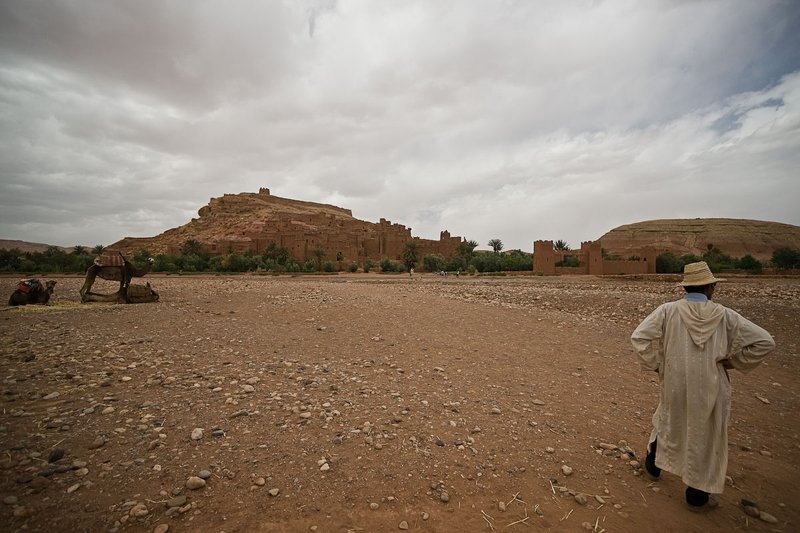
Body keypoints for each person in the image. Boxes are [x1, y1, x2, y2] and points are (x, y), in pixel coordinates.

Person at [630, 261, 775, 512]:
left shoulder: (667, 311)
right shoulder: (726, 316)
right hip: (711, 384)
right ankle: (697, 497)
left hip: (674, 382)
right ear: (710, 287)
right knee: (705, 436)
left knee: (668, 420)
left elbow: (639, 336)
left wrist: (656, 365)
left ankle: (653, 467)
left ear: (686, 287)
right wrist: (734, 362)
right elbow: (765, 341)